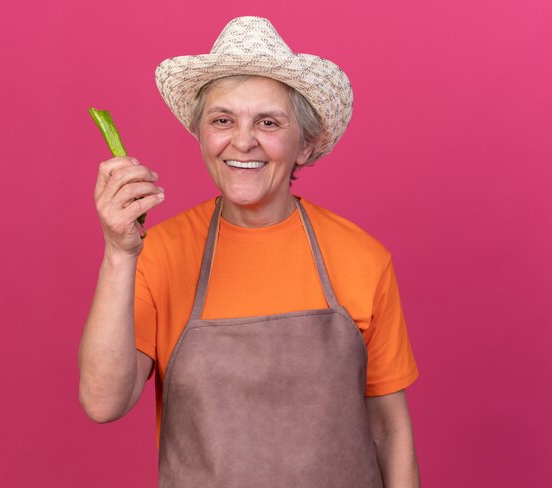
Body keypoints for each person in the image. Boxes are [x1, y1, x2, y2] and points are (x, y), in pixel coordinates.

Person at [79, 16, 420, 488]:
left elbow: (389, 428)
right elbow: (103, 402)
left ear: (305, 144)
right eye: (222, 120)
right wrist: (118, 254)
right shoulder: (158, 255)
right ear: (201, 136)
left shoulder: (362, 259)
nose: (242, 141)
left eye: (268, 122)